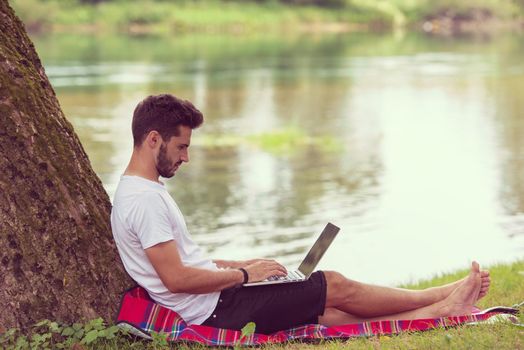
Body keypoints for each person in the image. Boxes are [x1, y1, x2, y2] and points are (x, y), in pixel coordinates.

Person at [110, 94, 491, 334]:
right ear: (153, 139)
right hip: (215, 311)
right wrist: (243, 276)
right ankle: (441, 295)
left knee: (324, 310)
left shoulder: (145, 192)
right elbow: (176, 278)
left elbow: (185, 259)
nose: (186, 157)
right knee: (332, 284)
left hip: (217, 301)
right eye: (181, 146)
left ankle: (438, 309)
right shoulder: (143, 200)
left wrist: (245, 265)